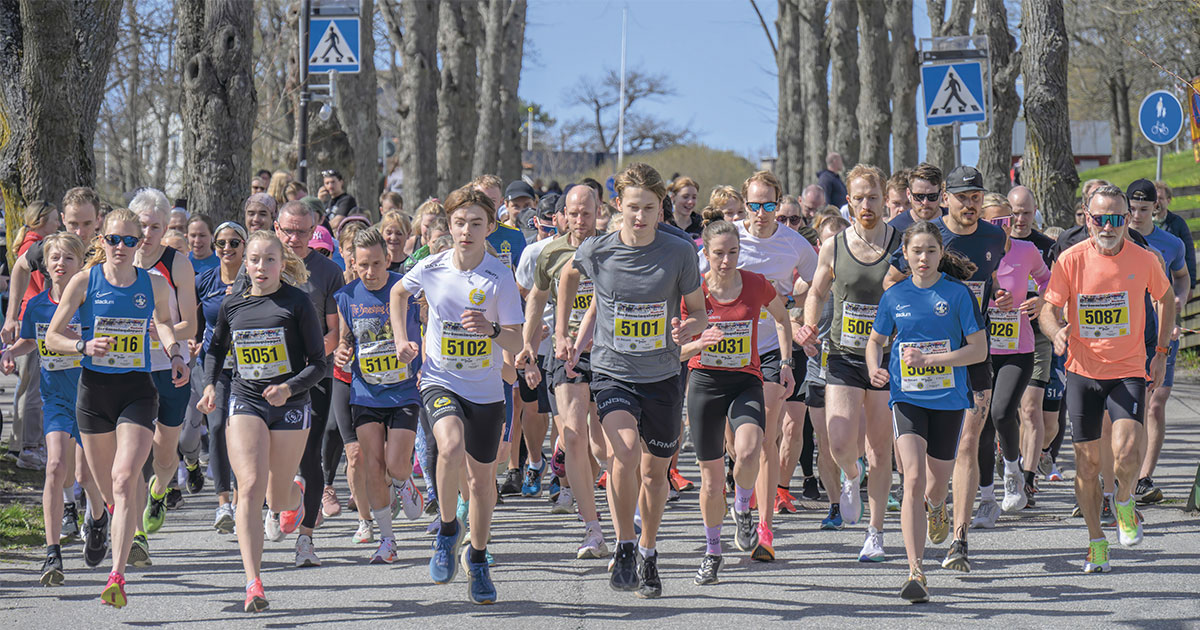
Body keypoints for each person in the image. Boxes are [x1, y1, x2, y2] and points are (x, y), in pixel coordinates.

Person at [558, 162, 707, 598]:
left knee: (654, 475)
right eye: (631, 208)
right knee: (622, 450)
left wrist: (689, 328)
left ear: (660, 209)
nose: (639, 217)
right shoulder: (598, 250)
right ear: (618, 206)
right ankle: (623, 543)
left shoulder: (679, 252)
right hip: (612, 371)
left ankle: (648, 549)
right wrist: (564, 331)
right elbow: (568, 276)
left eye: (648, 208)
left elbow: (698, 310)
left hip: (662, 374)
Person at [44, 208, 189, 608]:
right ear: (101, 241)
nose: (121, 247)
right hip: (93, 394)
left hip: (137, 392)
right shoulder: (84, 281)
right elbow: (53, 336)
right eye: (114, 239)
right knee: (109, 488)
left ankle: (117, 576)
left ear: (140, 242)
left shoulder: (154, 283)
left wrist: (174, 352)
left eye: (130, 240)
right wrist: (83, 346)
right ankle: (99, 518)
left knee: (126, 480)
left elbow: (163, 321)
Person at [389, 186, 524, 605]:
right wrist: (401, 339)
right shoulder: (430, 267)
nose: (466, 230)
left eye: (476, 223)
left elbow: (517, 341)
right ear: (449, 225)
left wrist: (493, 331)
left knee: (483, 483)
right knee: (448, 446)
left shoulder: (500, 276)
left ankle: (478, 559)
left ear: (490, 228)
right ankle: (448, 532)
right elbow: (397, 293)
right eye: (459, 222)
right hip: (439, 379)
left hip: (485, 391)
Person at [1040, 184, 1173, 572]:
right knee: (1087, 465)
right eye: (1101, 219)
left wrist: (1161, 352)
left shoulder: (1144, 258)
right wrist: (1055, 331)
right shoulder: (1070, 259)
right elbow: (1049, 309)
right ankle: (1097, 542)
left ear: (1128, 219)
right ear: (1086, 216)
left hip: (1128, 368)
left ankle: (1126, 500)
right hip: (1082, 372)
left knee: (1127, 453)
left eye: (1118, 218)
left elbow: (1165, 299)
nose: (1109, 226)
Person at [884, 165, 1008, 571]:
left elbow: (995, 280)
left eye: (976, 197)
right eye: (961, 198)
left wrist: (1004, 295)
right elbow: (889, 282)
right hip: (926, 361)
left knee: (970, 442)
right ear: (945, 200)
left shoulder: (994, 236)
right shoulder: (930, 238)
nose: (969, 205)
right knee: (930, 471)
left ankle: (959, 538)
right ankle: (935, 507)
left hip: (972, 353)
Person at [197, 230, 325, 612]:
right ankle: (253, 581)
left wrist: (288, 388)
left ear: (281, 264)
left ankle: (295, 499)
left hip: (290, 403)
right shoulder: (232, 305)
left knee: (276, 494)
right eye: (254, 259)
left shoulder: (298, 303)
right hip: (246, 397)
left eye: (270, 259)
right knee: (250, 485)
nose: (261, 267)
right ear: (245, 264)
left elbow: (319, 364)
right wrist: (209, 387)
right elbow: (215, 349)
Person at [696, 170, 816, 561]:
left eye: (769, 205)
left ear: (779, 204)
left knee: (765, 438)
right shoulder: (729, 240)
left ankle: (763, 526)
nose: (761, 213)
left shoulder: (794, 243)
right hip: (722, 354)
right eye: (754, 205)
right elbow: (693, 283)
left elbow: (820, 282)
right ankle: (740, 490)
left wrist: (799, 313)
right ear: (744, 204)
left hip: (770, 350)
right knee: (737, 445)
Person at [866, 220, 988, 603]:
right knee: (913, 478)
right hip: (907, 397)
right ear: (906, 254)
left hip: (949, 400)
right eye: (916, 251)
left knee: (937, 484)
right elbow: (876, 340)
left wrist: (934, 358)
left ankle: (938, 508)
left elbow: (978, 350)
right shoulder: (894, 296)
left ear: (940, 254)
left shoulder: (957, 295)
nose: (923, 258)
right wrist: (874, 365)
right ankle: (915, 570)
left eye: (930, 251)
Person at [798, 164, 902, 562]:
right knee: (839, 440)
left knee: (879, 450)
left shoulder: (899, 242)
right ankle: (850, 475)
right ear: (849, 201)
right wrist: (809, 326)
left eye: (872, 197)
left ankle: (875, 532)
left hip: (886, 357)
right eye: (857, 198)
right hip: (842, 353)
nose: (865, 205)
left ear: (884, 197)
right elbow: (817, 292)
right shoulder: (834, 245)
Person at [680, 219, 793, 584]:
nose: (726, 261)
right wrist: (700, 342)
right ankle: (713, 552)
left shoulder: (756, 284)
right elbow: (674, 351)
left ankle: (742, 508)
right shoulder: (693, 293)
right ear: (706, 254)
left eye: (732, 252)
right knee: (712, 482)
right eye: (718, 254)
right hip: (705, 383)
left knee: (749, 450)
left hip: (745, 380)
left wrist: (787, 361)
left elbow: (782, 317)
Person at [1, 233, 104, 586]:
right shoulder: (38, 305)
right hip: (56, 397)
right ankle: (52, 552)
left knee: (84, 476)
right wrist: (10, 353)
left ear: (80, 265)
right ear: (45, 265)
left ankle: (98, 518)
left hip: (91, 396)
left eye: (68, 259)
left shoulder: (90, 302)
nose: (60, 264)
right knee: (55, 466)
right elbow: (32, 339)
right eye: (54, 258)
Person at [517, 185, 611, 557]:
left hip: (607, 352)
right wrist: (527, 345)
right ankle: (592, 528)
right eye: (573, 214)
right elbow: (537, 300)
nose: (580, 221)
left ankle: (628, 521)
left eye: (586, 213)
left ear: (598, 212)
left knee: (604, 446)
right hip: (565, 349)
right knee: (573, 435)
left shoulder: (612, 248)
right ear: (561, 216)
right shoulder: (550, 252)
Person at [333, 228, 425, 565]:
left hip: (402, 389)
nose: (370, 273)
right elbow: (346, 339)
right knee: (372, 465)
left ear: (388, 259)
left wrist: (422, 357)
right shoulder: (345, 296)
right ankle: (387, 539)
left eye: (376, 264)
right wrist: (342, 352)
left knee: (397, 464)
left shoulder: (407, 289)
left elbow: (428, 324)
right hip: (365, 391)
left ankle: (404, 484)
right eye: (362, 266)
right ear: (353, 263)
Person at [272, 201, 345, 568]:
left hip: (313, 375)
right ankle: (278, 503)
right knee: (269, 455)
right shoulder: (261, 263)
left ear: (314, 230)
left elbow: (335, 331)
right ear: (276, 228)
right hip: (266, 378)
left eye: (303, 231)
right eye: (288, 230)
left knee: (310, 453)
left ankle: (306, 540)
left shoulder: (328, 271)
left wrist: (306, 363)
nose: (295, 238)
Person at [128, 189, 197, 560]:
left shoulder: (177, 264)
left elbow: (191, 325)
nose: (148, 233)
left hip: (171, 364)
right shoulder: (120, 259)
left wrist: (164, 333)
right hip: (132, 368)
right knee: (136, 453)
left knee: (164, 455)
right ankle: (137, 534)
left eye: (156, 226)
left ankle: (159, 493)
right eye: (142, 225)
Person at [979, 194, 1050, 514]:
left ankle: (1012, 471)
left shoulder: (1027, 250)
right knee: (979, 425)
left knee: (1001, 412)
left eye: (1006, 222)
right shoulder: (974, 253)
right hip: (978, 348)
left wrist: (1041, 301)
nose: (1003, 228)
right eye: (994, 223)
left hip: (1017, 349)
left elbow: (1051, 281)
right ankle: (986, 497)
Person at [1126, 179, 1189, 504]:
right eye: (1132, 209)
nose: (1136, 215)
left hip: (1163, 333)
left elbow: (1182, 277)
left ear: (1156, 208)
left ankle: (1143, 476)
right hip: (1128, 336)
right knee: (1128, 407)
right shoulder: (1118, 241)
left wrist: (1177, 304)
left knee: (1155, 403)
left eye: (1144, 209)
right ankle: (1123, 472)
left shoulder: (1172, 243)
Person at [1006, 185, 1063, 489]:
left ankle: (1028, 478)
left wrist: (1043, 302)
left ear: (1035, 212)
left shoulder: (1046, 245)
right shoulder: (995, 243)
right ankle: (1011, 467)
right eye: (1015, 213)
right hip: (1001, 334)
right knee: (1005, 410)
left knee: (1031, 408)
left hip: (1037, 333)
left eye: (1027, 213)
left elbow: (1057, 287)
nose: (1020, 219)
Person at [194, 221, 247, 532]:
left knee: (240, 433)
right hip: (215, 366)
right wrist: (190, 338)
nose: (227, 249)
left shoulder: (255, 276)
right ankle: (223, 504)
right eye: (221, 244)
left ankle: (244, 500)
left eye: (234, 243)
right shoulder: (205, 280)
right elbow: (195, 319)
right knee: (215, 428)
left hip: (249, 369)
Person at [8, 200, 60, 469]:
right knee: (33, 388)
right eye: (54, 220)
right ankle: (29, 447)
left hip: (27, 318)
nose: (59, 225)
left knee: (26, 384)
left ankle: (18, 444)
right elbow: (42, 286)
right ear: (40, 222)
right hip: (35, 321)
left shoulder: (28, 243)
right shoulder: (36, 248)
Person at [1152, 181, 1195, 288]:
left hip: (1172, 282)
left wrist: (1190, 285)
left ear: (1168, 200)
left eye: (1161, 198)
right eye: (1154, 199)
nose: (1157, 202)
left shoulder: (1178, 223)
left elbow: (1189, 254)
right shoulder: (1143, 224)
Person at [889, 162, 946, 232]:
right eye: (919, 196)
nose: (925, 202)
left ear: (941, 194)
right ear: (908, 194)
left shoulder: (955, 223)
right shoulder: (894, 229)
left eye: (932, 196)